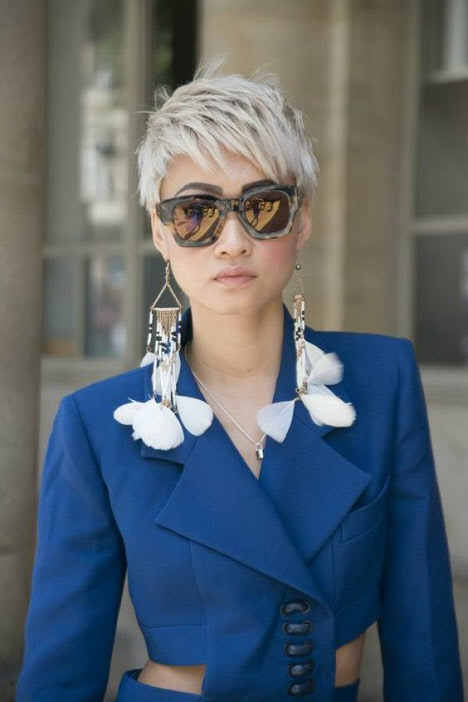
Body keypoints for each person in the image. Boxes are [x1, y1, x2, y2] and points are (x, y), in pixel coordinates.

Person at [16, 59, 464, 702]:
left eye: (262, 207)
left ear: (301, 221)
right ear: (159, 231)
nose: (231, 241)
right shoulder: (96, 424)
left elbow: (425, 640)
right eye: (195, 212)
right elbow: (61, 670)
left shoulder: (381, 382)